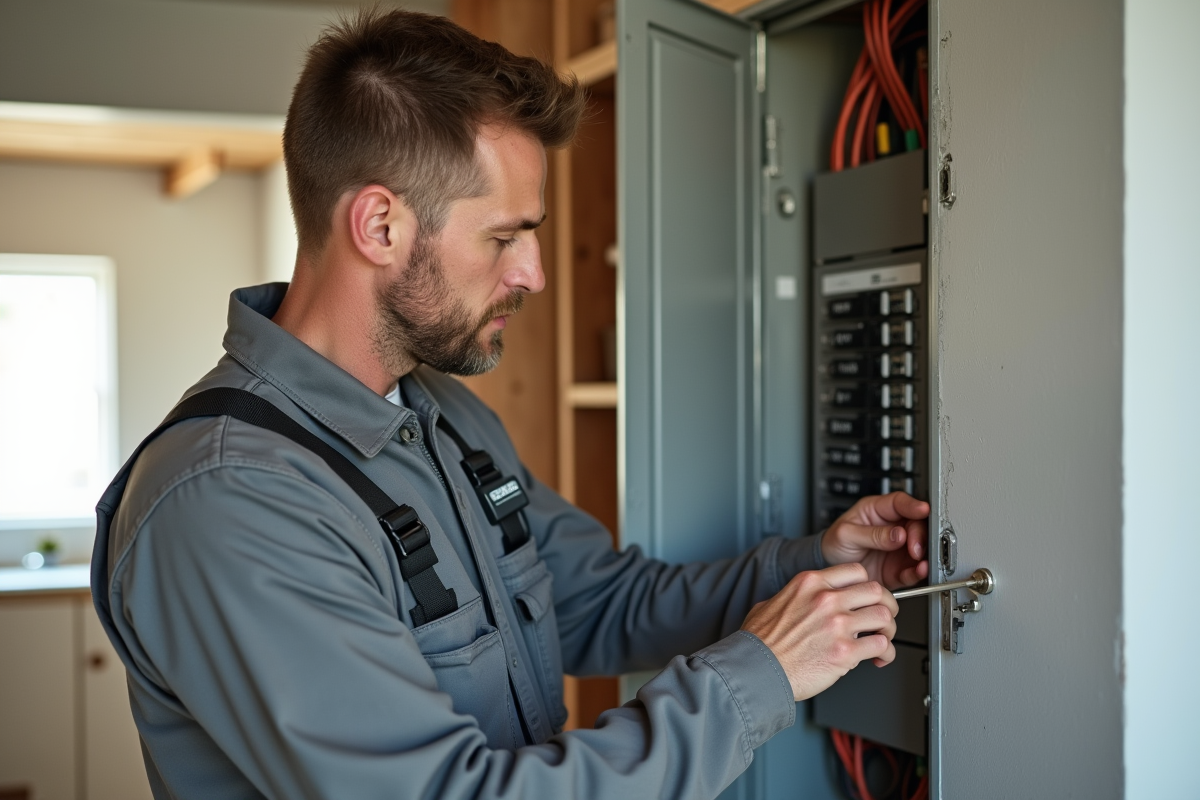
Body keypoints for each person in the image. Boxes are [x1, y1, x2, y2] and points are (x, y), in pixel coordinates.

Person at [92, 9, 930, 800]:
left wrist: (815, 568)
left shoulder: (445, 418)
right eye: (504, 237)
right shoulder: (230, 500)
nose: (533, 273)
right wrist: (762, 671)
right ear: (380, 226)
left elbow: (601, 602)